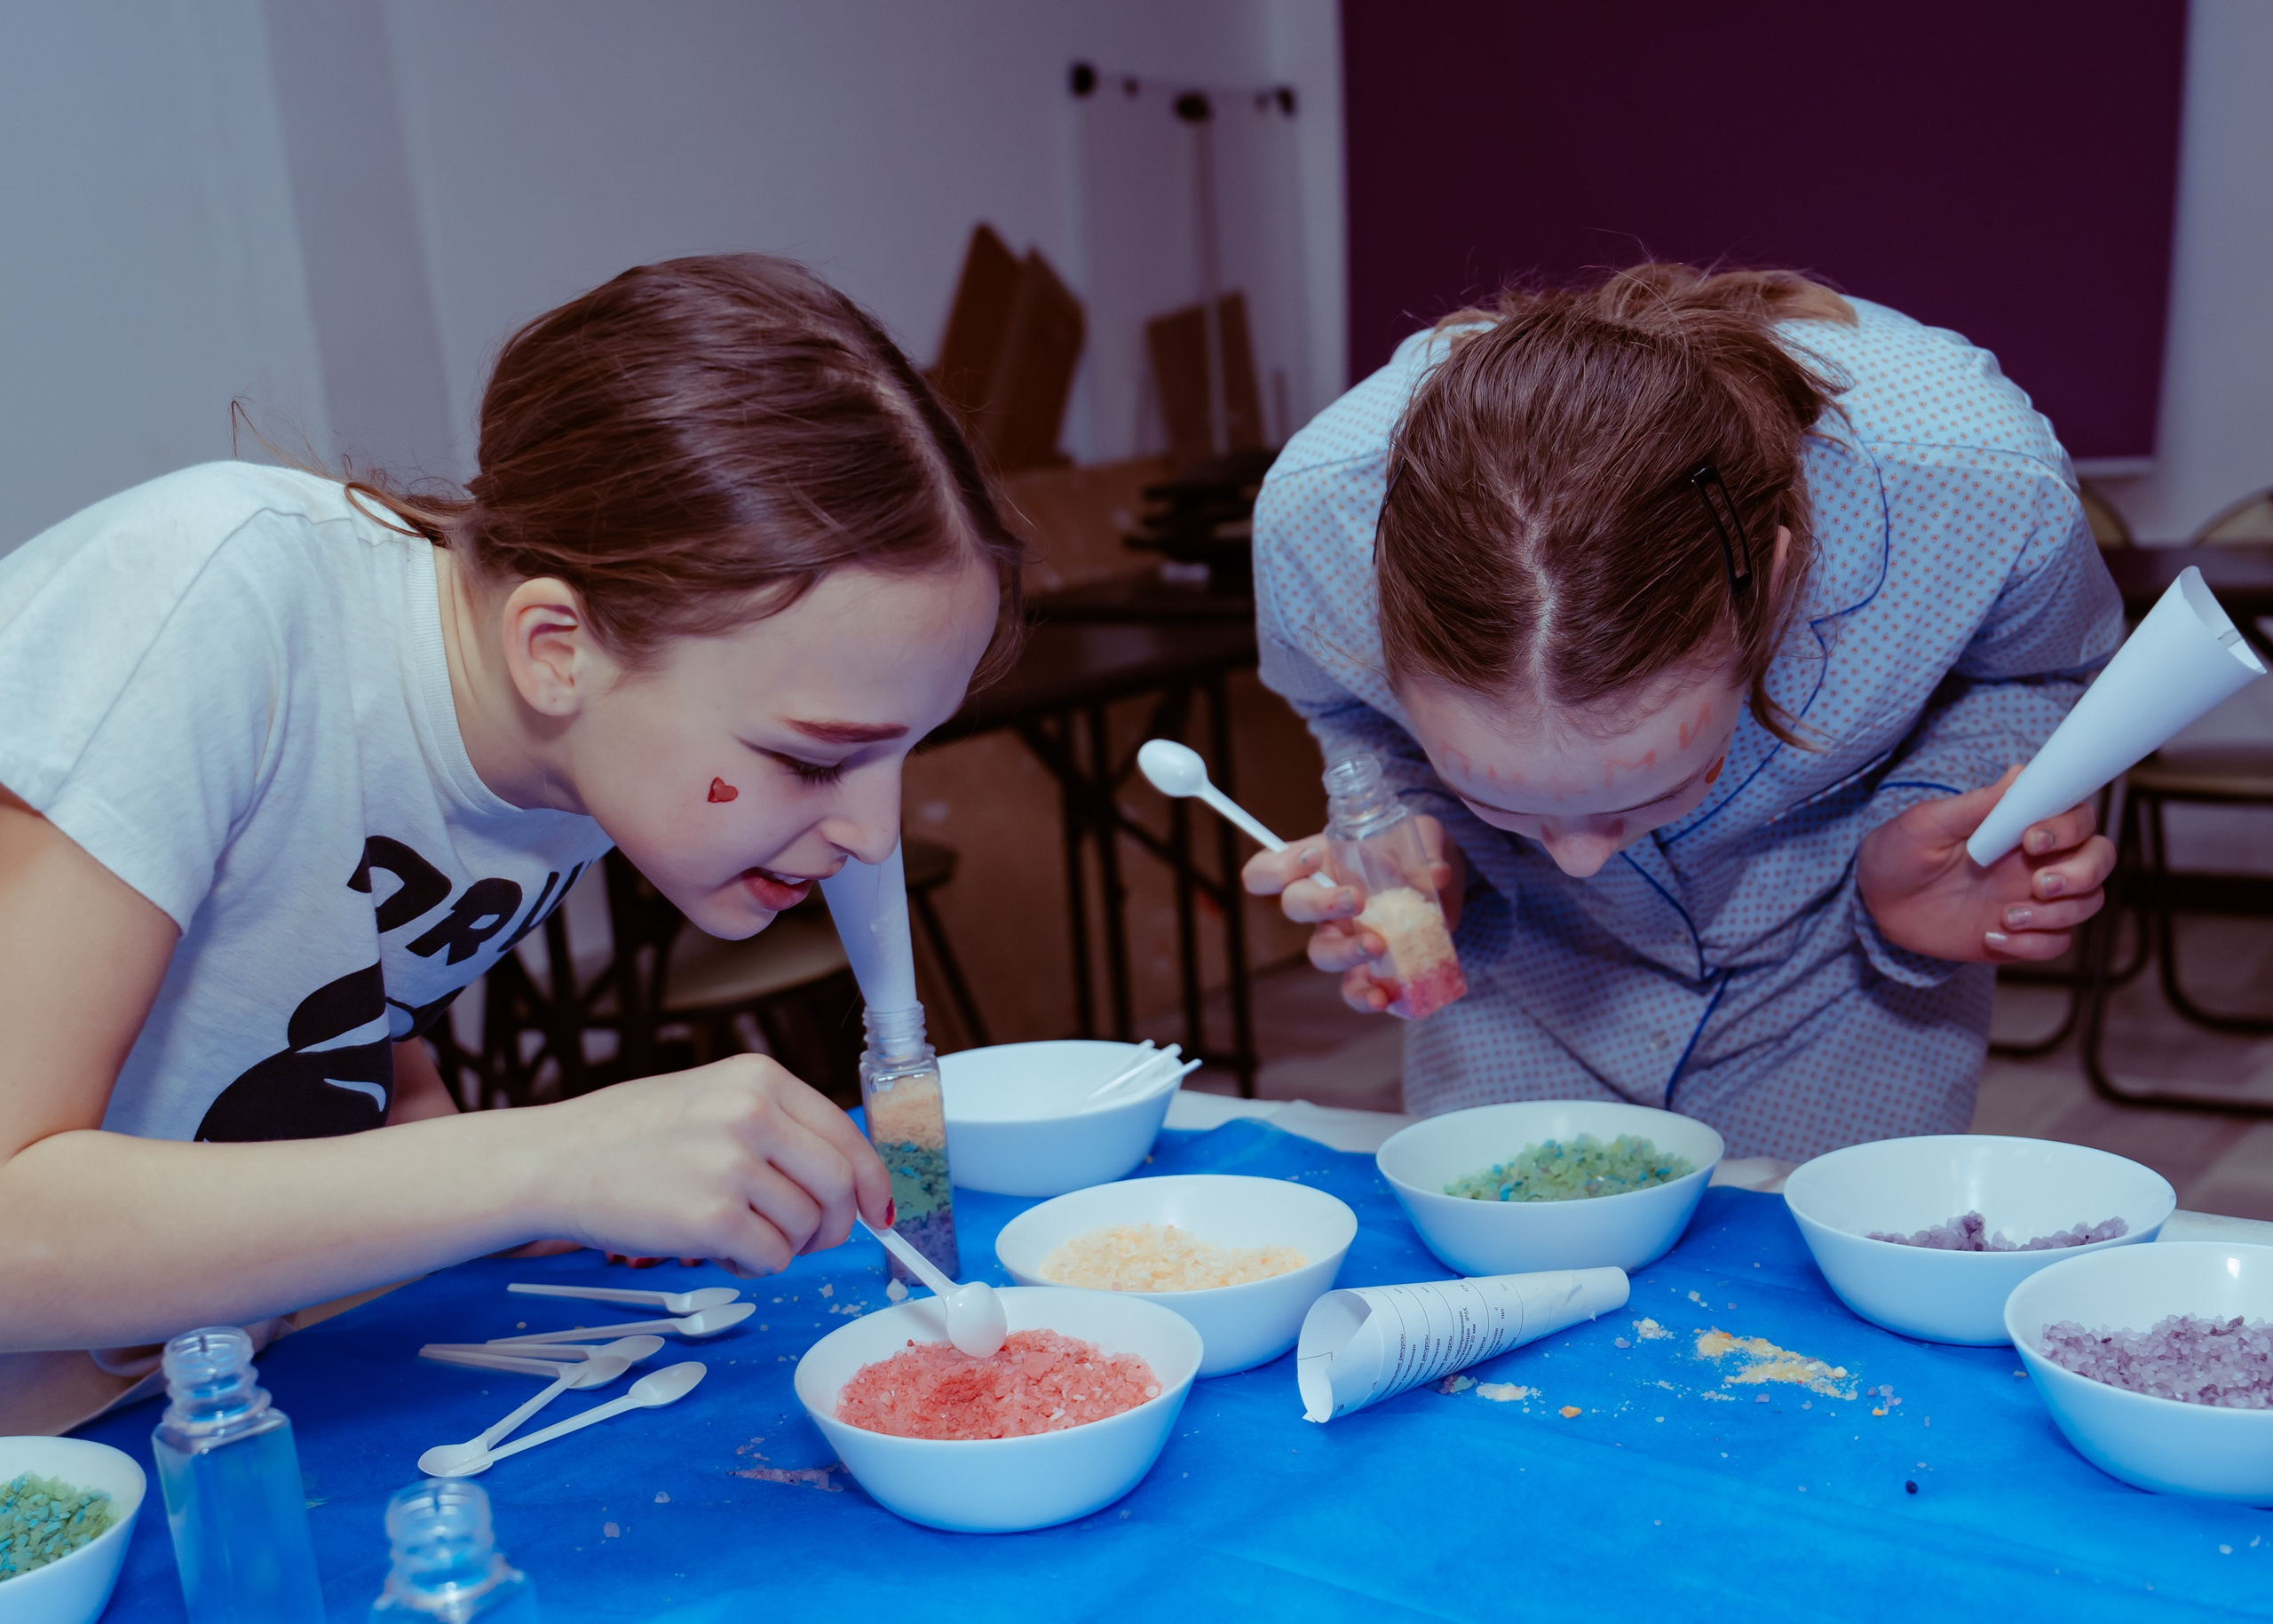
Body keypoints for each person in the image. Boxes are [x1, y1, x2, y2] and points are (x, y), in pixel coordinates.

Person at [0, 254, 1022, 1353]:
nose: (873, 832)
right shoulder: (209, 607)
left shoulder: (587, 741)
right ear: (556, 649)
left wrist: (508, 1183)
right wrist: (546, 1162)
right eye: (810, 758)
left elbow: (326, 997)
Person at [1244, 265, 2121, 1161]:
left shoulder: (1975, 479)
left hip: (1839, 970)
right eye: (1500, 797)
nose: (1581, 859)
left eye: (1656, 786)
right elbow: (1347, 716)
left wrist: (1931, 811)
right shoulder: (1318, 526)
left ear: (1773, 587)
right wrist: (1423, 834)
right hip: (1522, 984)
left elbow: (2043, 671)